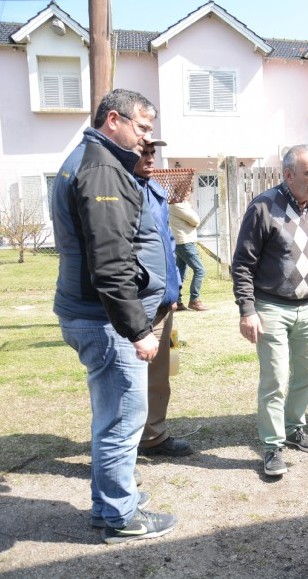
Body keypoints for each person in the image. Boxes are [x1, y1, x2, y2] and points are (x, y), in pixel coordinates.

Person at [51, 88, 177, 543]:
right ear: (113, 120)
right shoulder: (103, 170)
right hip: (101, 317)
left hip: (87, 309)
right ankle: (120, 516)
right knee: (123, 419)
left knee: (113, 415)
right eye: (142, 127)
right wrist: (138, 329)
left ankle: (113, 500)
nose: (146, 138)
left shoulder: (89, 159)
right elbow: (110, 264)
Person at [232, 144, 308, 477]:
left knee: (307, 376)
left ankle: (294, 428)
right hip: (271, 307)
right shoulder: (263, 207)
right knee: (275, 379)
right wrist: (247, 310)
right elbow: (243, 264)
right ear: (289, 175)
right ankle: (273, 445)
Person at [134, 138, 195, 458]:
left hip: (164, 305)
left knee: (162, 376)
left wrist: (174, 292)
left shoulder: (155, 190)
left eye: (152, 154)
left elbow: (168, 246)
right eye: (142, 153)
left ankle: (154, 436)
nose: (150, 159)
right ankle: (125, 449)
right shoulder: (118, 191)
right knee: (129, 383)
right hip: (135, 307)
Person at [169, 184, 208, 311]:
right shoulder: (177, 205)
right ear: (177, 191)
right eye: (183, 191)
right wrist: (191, 223)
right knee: (200, 270)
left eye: (188, 191)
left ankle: (177, 302)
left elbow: (193, 221)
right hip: (185, 242)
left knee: (180, 274)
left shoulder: (182, 204)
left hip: (183, 242)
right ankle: (194, 300)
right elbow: (196, 220)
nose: (186, 193)